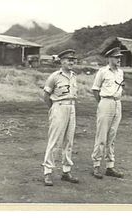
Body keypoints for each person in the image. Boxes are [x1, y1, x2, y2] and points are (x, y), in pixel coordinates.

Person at [42, 49, 79, 186]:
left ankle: (66, 171)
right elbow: (46, 96)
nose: (71, 62)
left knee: (69, 141)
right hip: (59, 107)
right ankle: (47, 172)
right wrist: (54, 108)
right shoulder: (54, 76)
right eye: (68, 60)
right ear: (61, 61)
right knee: (54, 141)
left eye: (72, 60)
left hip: (71, 107)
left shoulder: (74, 76)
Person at [91, 47, 125, 179]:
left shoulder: (120, 72)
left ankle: (110, 166)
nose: (119, 59)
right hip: (106, 102)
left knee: (112, 136)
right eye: (116, 57)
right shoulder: (102, 72)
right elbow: (95, 89)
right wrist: (102, 103)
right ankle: (96, 165)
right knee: (101, 136)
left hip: (117, 103)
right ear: (110, 58)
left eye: (119, 57)